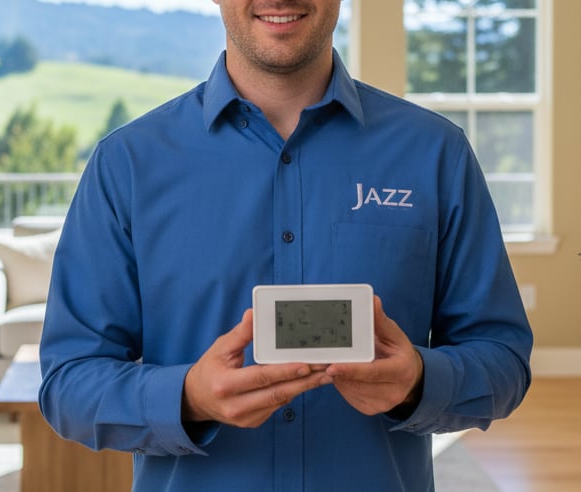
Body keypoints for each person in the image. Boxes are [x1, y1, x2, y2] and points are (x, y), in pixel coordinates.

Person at [38, 1, 534, 490]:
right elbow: (68, 382)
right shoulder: (126, 164)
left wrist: (419, 382)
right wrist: (187, 398)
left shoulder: (435, 153)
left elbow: (503, 361)